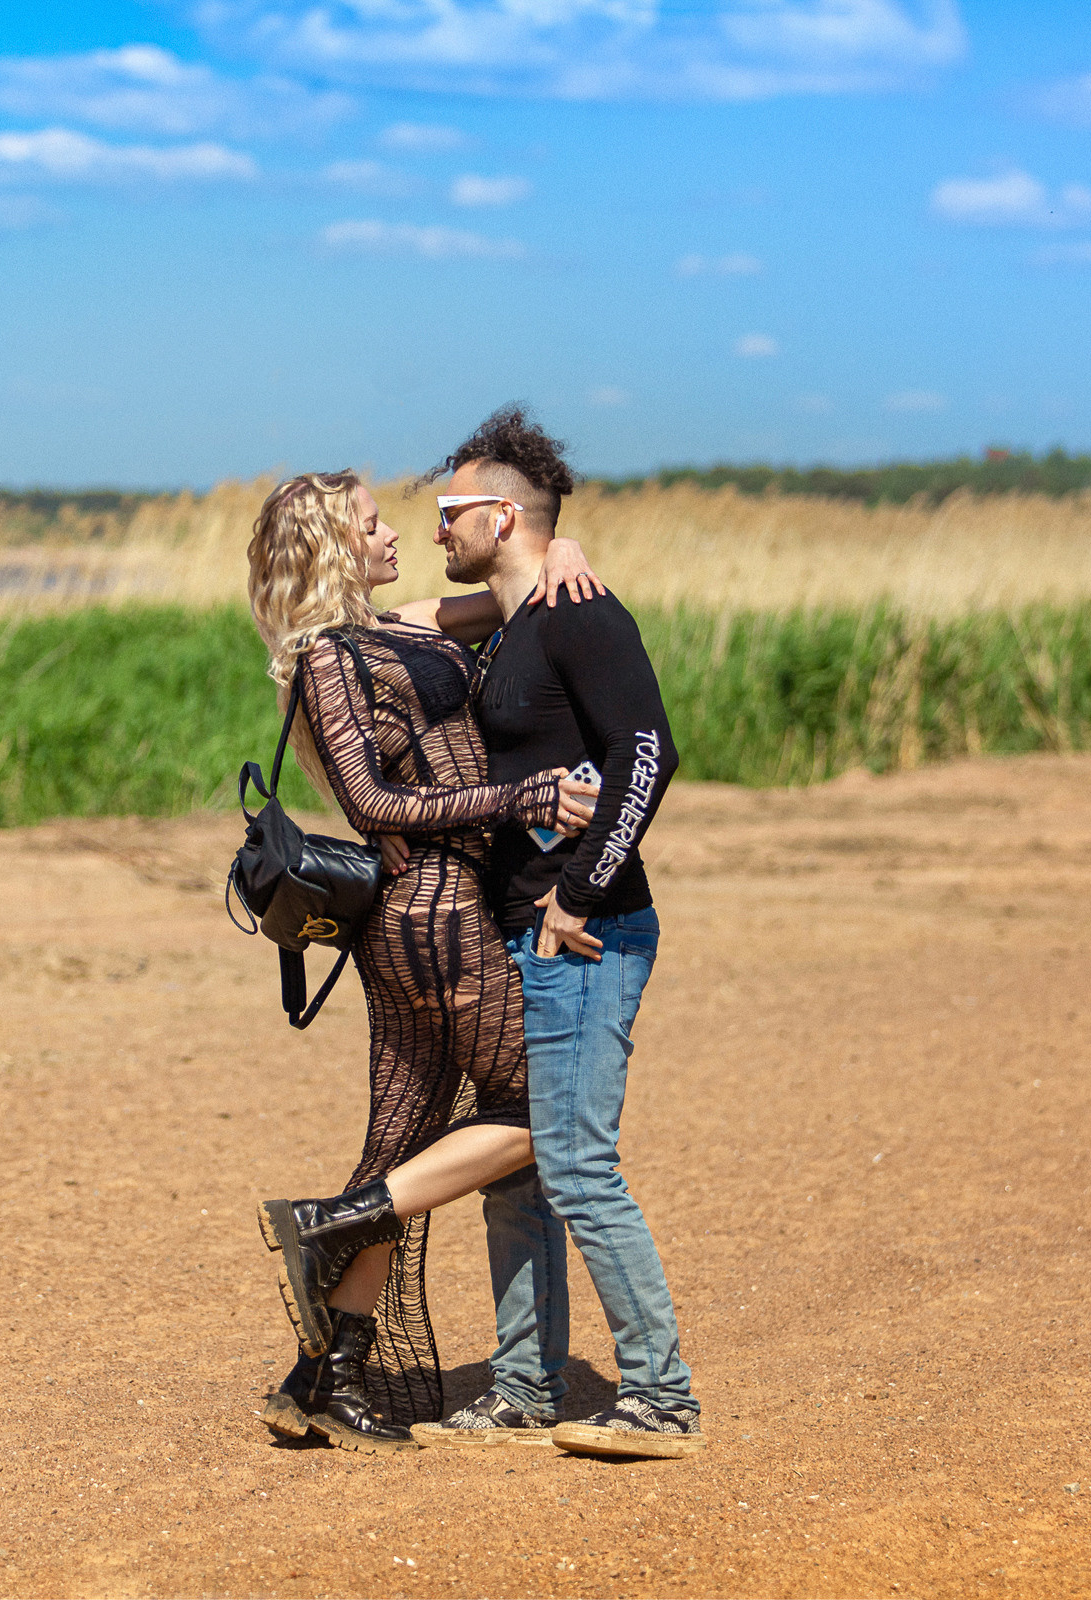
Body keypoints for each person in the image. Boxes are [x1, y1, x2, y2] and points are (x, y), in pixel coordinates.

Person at [242, 470, 604, 1452]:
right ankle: (332, 1219)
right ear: (333, 549)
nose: (394, 533)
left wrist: (560, 550)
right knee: (546, 1109)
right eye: (371, 525)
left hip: (421, 917)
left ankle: (322, 1378)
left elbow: (515, 588)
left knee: (405, 1148)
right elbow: (373, 806)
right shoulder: (325, 660)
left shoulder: (402, 623)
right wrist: (518, 800)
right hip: (430, 917)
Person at [417, 405, 705, 1459]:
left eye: (450, 510)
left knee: (579, 1164)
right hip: (520, 938)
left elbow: (649, 754)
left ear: (501, 513)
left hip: (587, 936)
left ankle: (662, 1397)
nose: (437, 526)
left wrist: (579, 892)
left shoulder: (582, 614)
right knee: (517, 1172)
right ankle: (529, 1384)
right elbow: (395, 614)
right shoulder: (505, 623)